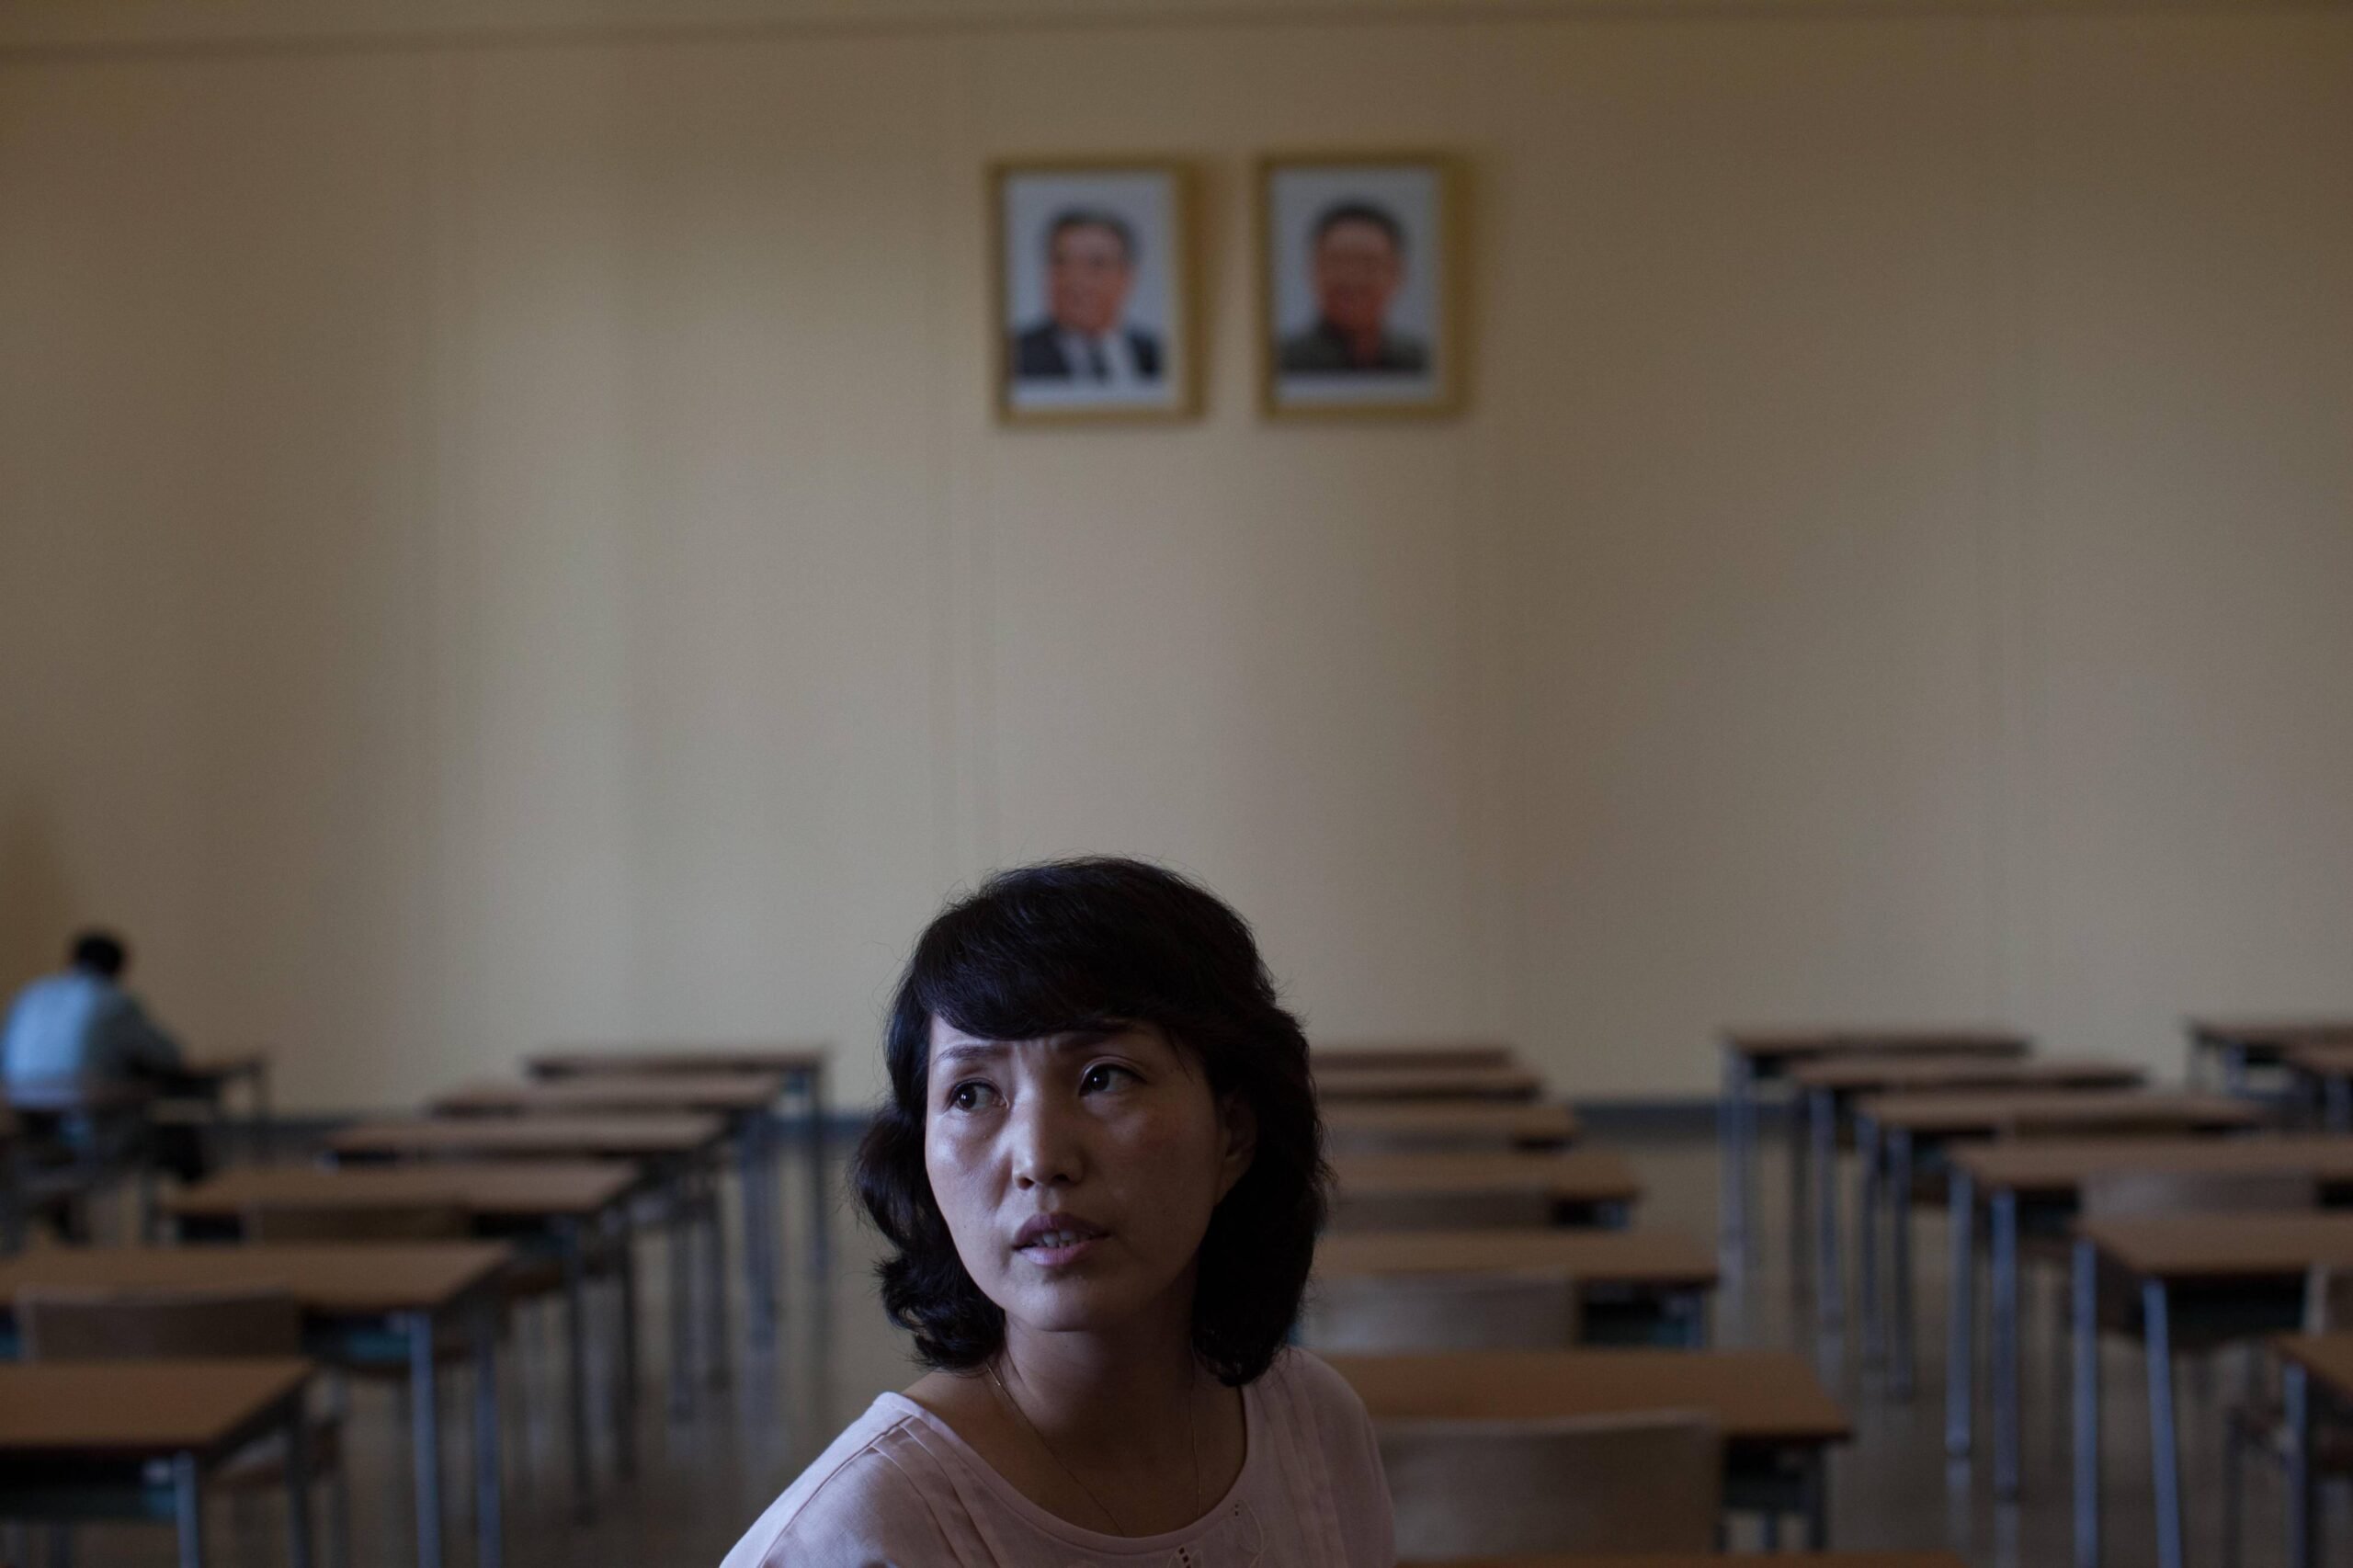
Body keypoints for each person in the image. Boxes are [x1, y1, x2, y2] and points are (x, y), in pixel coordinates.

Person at [722, 858, 1392, 1566]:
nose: (1039, 1158)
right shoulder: (855, 1537)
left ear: (1233, 1134)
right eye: (972, 1094)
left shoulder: (1312, 1425)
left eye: (1104, 1078)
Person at [2, 928, 207, 1184]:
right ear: (118, 969)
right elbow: (168, 1056)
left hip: (25, 1138)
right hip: (91, 1138)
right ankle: (204, 1218)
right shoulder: (112, 1002)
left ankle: (70, 1220)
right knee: (182, 1138)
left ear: (70, 961)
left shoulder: (31, 996)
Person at [1010, 210, 1165, 388]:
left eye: (1096, 265)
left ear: (1126, 276)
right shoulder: (1015, 353)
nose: (1076, 280)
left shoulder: (1158, 353)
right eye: (1061, 263)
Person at [1278, 200, 1429, 375]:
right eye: (1339, 262)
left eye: (1368, 264)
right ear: (1313, 270)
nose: (1353, 278)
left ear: (1398, 274)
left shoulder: (1422, 363)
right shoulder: (1281, 362)